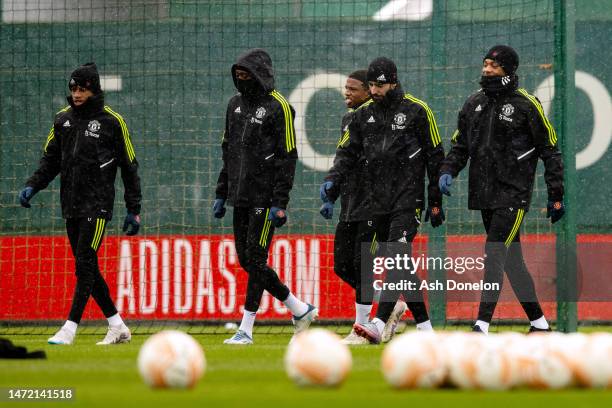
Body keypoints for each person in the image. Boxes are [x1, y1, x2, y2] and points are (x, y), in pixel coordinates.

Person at [439, 45, 565, 334]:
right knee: (512, 261)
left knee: (494, 251)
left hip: (514, 193)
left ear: (509, 70)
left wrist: (555, 195)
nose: (487, 69)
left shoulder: (526, 104)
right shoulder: (473, 104)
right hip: (484, 194)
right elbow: (460, 146)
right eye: (485, 64)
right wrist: (448, 170)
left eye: (493, 66)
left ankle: (481, 324)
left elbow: (550, 150)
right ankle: (540, 324)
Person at [322, 57, 445, 344]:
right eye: (372, 86)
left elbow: (434, 157)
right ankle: (427, 332)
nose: (375, 91)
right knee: (400, 265)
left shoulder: (417, 110)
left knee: (397, 257)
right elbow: (347, 153)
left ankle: (376, 323)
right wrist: (333, 179)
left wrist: (436, 200)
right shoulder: (363, 116)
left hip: (407, 200)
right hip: (374, 204)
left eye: (380, 85)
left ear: (393, 82)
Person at [19, 62, 142, 345]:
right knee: (87, 267)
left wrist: (133, 209)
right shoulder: (62, 121)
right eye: (73, 89)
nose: (76, 94)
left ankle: (69, 328)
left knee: (84, 263)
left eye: (82, 89)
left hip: (97, 205)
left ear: (94, 90)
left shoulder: (113, 122)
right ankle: (118, 325)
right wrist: (32, 185)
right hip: (71, 204)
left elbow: (130, 166)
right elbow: (50, 160)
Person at [214, 48, 317, 345]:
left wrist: (279, 202)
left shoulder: (279, 107)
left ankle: (246, 328)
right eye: (238, 75)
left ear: (261, 75)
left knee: (256, 260)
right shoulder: (233, 105)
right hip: (239, 196)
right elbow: (228, 153)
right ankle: (299, 308)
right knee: (246, 260)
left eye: (247, 75)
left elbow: (288, 156)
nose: (242, 80)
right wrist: (222, 193)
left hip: (264, 198)